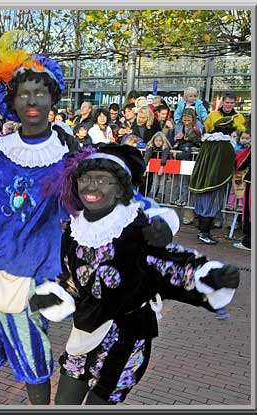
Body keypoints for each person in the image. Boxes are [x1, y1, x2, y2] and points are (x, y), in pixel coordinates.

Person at [44, 144, 240, 405]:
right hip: (85, 331)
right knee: (64, 403)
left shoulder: (137, 228)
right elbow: (73, 277)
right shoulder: (74, 229)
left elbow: (172, 266)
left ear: (121, 189)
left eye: (103, 180)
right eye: (86, 179)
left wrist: (210, 276)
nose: (91, 187)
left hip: (125, 337)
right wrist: (56, 296)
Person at [0, 31, 75, 405]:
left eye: (40, 93)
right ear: (11, 100)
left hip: (35, 269)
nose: (31, 100)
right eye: (24, 93)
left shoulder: (67, 156)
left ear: (52, 99)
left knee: (34, 351)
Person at [189, 116, 237, 245]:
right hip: (215, 180)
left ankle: (202, 232)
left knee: (203, 205)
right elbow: (230, 161)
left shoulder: (209, 141)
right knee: (211, 206)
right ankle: (204, 233)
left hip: (203, 178)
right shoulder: (224, 144)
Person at [143, 132, 171, 202]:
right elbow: (147, 156)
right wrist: (144, 167)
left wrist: (162, 166)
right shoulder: (151, 146)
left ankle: (160, 196)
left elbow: (164, 157)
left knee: (162, 183)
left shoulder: (166, 147)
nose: (158, 142)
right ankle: (151, 196)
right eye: (156, 141)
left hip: (165, 167)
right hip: (155, 167)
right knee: (155, 181)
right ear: (153, 141)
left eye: (160, 141)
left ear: (163, 141)